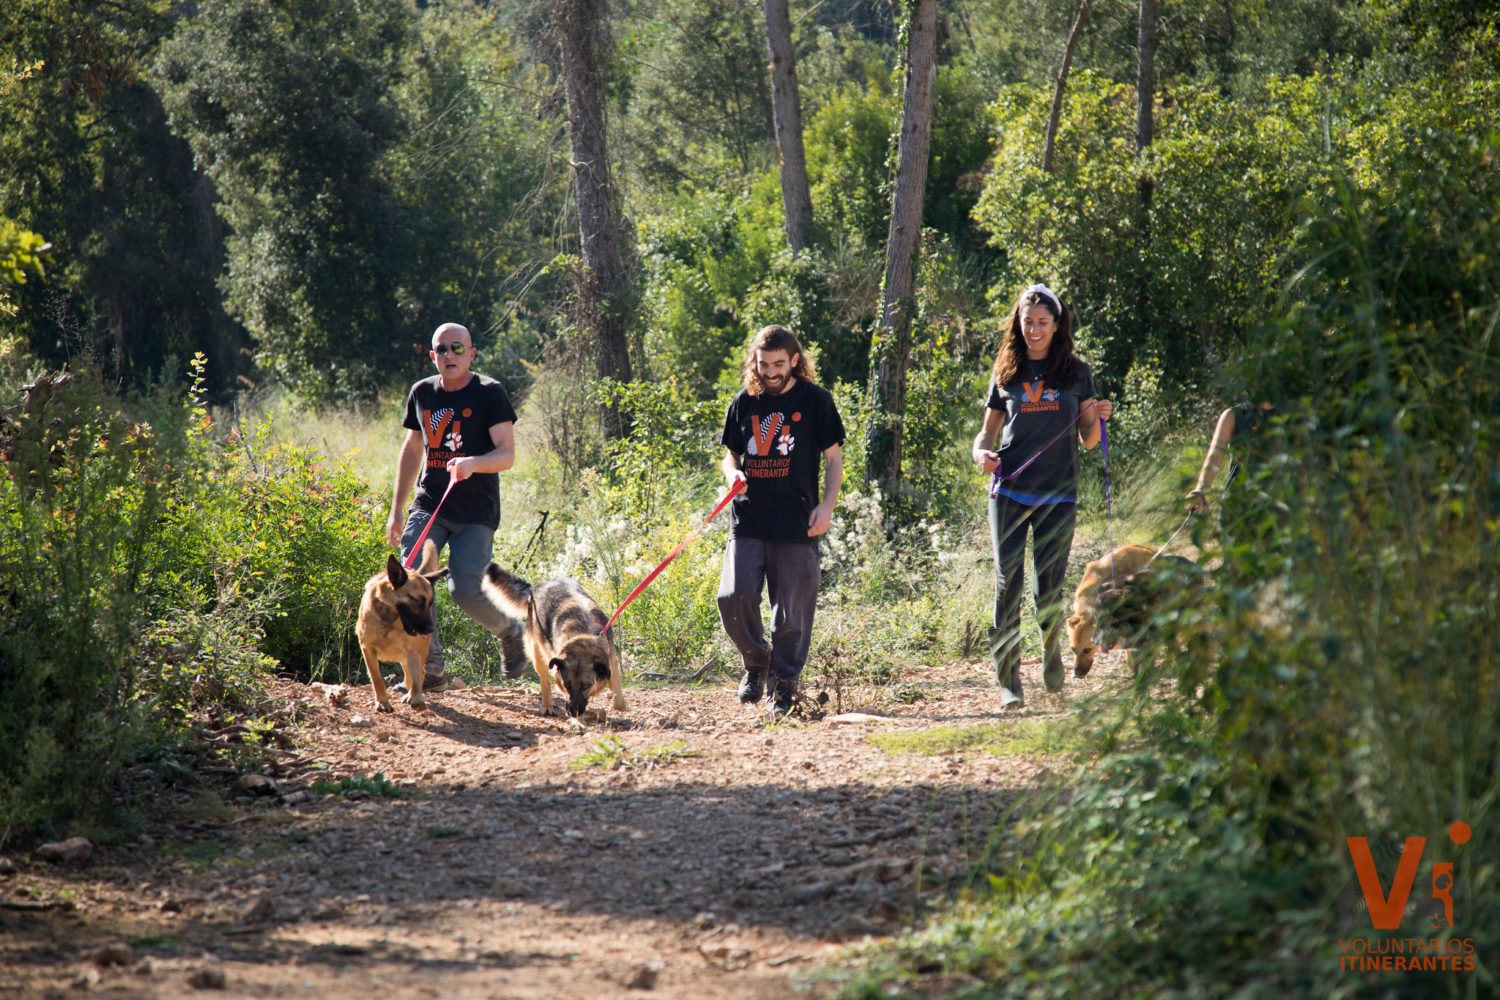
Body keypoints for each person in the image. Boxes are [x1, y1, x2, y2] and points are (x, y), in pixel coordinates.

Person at [971, 284, 1111, 708]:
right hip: (1009, 489)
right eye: (1027, 321)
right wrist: (980, 453)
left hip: (1059, 494)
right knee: (1006, 584)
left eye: (1042, 322)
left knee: (1048, 589)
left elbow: (1088, 440)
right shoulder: (1007, 371)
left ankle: (1052, 656)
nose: (1033, 329)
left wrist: (1099, 418)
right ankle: (1009, 682)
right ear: (1018, 323)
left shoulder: (1076, 372)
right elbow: (987, 432)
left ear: (1056, 325)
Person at [385, 322, 528, 691]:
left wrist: (473, 463)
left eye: (457, 348)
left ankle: (510, 631)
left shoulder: (490, 393)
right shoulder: (422, 393)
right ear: (433, 356)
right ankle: (429, 670)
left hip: (476, 510)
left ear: (471, 353)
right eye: (442, 350)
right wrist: (397, 509)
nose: (449, 355)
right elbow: (413, 449)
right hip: (429, 503)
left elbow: (507, 455)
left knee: (465, 591)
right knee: (412, 577)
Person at [717, 325, 845, 718]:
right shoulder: (744, 402)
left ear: (794, 361)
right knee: (732, 597)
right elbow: (729, 456)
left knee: (791, 615)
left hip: (797, 522)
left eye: (778, 364)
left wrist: (826, 507)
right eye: (763, 364)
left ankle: (783, 689)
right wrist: (732, 475)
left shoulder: (816, 401)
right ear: (754, 363)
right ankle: (757, 662)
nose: (770, 372)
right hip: (750, 517)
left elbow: (834, 460)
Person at [1185, 401, 1273, 516]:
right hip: (1236, 509)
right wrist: (1200, 490)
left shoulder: (1294, 415)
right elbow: (1215, 457)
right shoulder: (1232, 416)